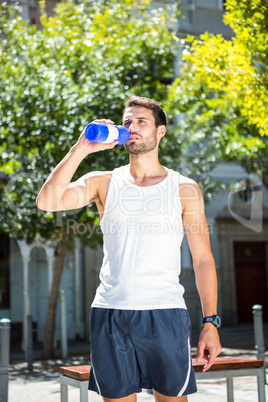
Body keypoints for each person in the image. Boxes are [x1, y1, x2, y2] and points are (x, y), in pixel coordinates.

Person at [36, 95, 222, 402]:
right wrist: (81, 148)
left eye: (141, 122)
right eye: (127, 122)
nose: (131, 128)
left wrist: (210, 323)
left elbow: (203, 259)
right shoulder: (103, 182)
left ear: (160, 131)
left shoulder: (184, 188)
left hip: (165, 312)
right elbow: (46, 202)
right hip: (110, 311)